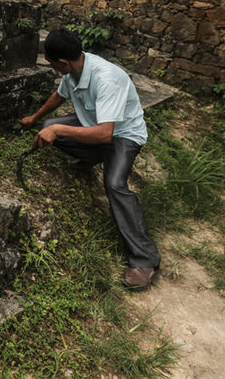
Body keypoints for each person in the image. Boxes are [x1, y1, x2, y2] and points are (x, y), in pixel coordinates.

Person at [20, 27, 160, 289]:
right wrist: (36, 119)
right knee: (49, 128)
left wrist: (58, 129)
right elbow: (58, 96)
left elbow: (106, 134)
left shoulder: (106, 78)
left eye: (50, 62)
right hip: (94, 126)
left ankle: (145, 259)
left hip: (123, 136)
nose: (50, 66)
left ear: (62, 62)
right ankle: (94, 156)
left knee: (115, 184)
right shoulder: (73, 70)